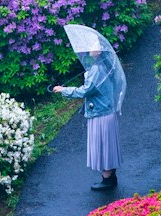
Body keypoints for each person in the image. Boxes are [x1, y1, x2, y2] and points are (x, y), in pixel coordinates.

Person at [53, 37, 126, 191]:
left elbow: (85, 90)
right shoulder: (104, 66)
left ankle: (107, 181)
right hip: (106, 111)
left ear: (99, 51)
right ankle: (110, 178)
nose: (90, 47)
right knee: (107, 145)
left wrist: (63, 90)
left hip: (100, 113)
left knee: (103, 145)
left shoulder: (97, 69)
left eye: (93, 45)